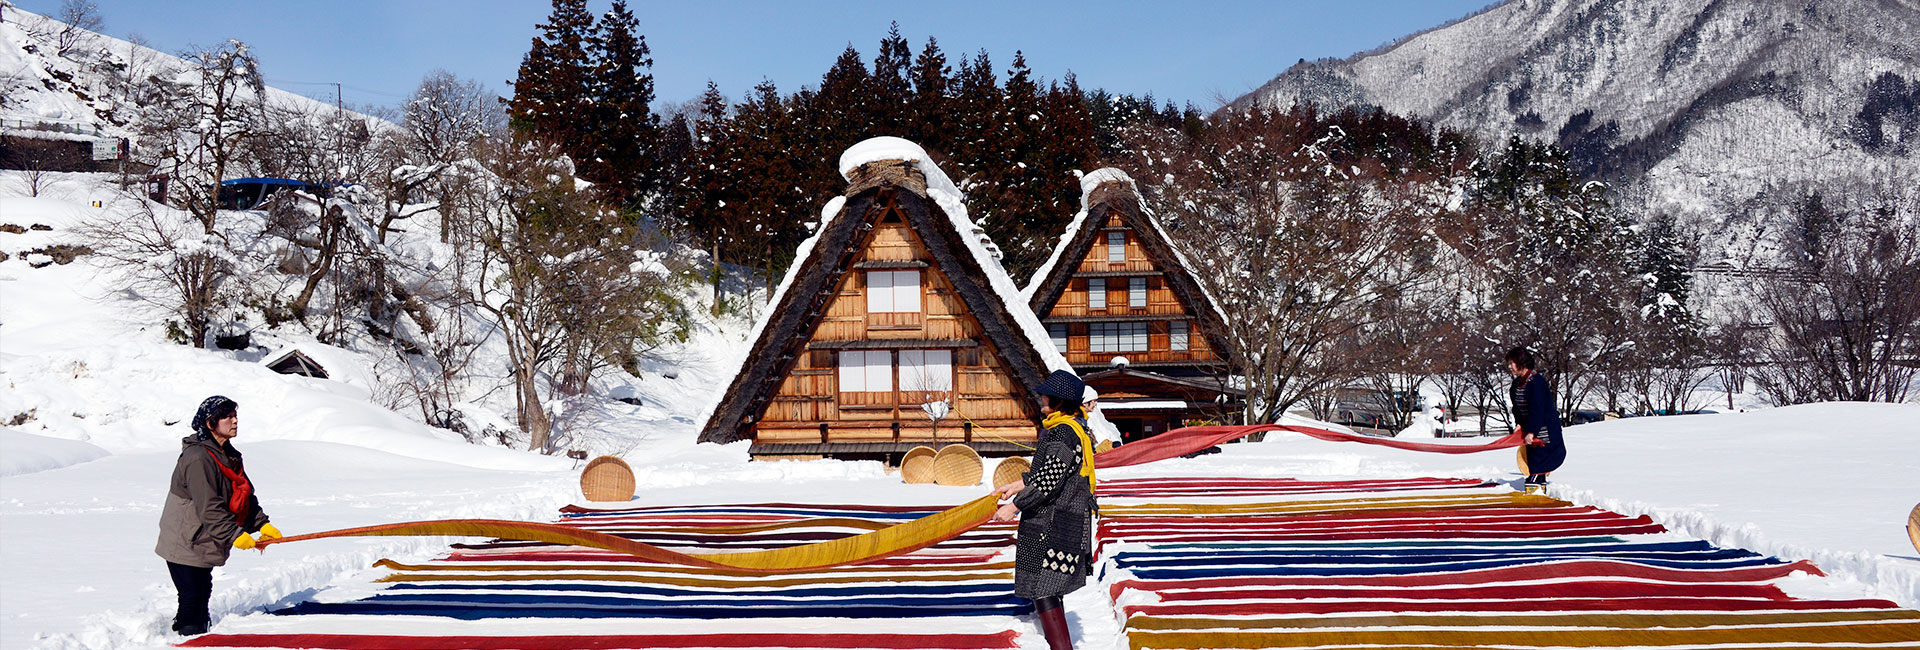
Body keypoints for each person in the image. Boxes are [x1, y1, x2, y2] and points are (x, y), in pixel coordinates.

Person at [155, 396, 281, 636]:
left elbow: (243, 493)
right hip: (186, 539)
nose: (234, 421)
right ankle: (188, 637)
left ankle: (195, 633)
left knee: (201, 591)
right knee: (192, 596)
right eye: (226, 417)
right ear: (210, 423)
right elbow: (209, 507)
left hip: (204, 538)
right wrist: (235, 535)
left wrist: (262, 524)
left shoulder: (228, 454)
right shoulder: (198, 458)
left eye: (235, 416)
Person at [992, 370, 1097, 650]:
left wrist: (1013, 507)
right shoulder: (1074, 427)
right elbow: (1057, 472)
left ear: (1058, 401)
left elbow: (1049, 483)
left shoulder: (1062, 432)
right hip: (1066, 518)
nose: (1041, 397)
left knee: (1044, 587)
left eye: (1045, 395)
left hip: (1052, 522)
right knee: (1049, 586)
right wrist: (1020, 483)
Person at [1505, 347, 1566, 489]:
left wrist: (1532, 431)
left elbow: (1537, 408)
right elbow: (1517, 408)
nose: (1509, 367)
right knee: (1534, 466)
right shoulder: (1517, 384)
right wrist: (1519, 423)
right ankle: (1537, 491)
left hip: (1544, 432)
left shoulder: (1537, 382)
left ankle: (1536, 494)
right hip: (1530, 433)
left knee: (1538, 469)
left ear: (1521, 362)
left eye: (1511, 363)